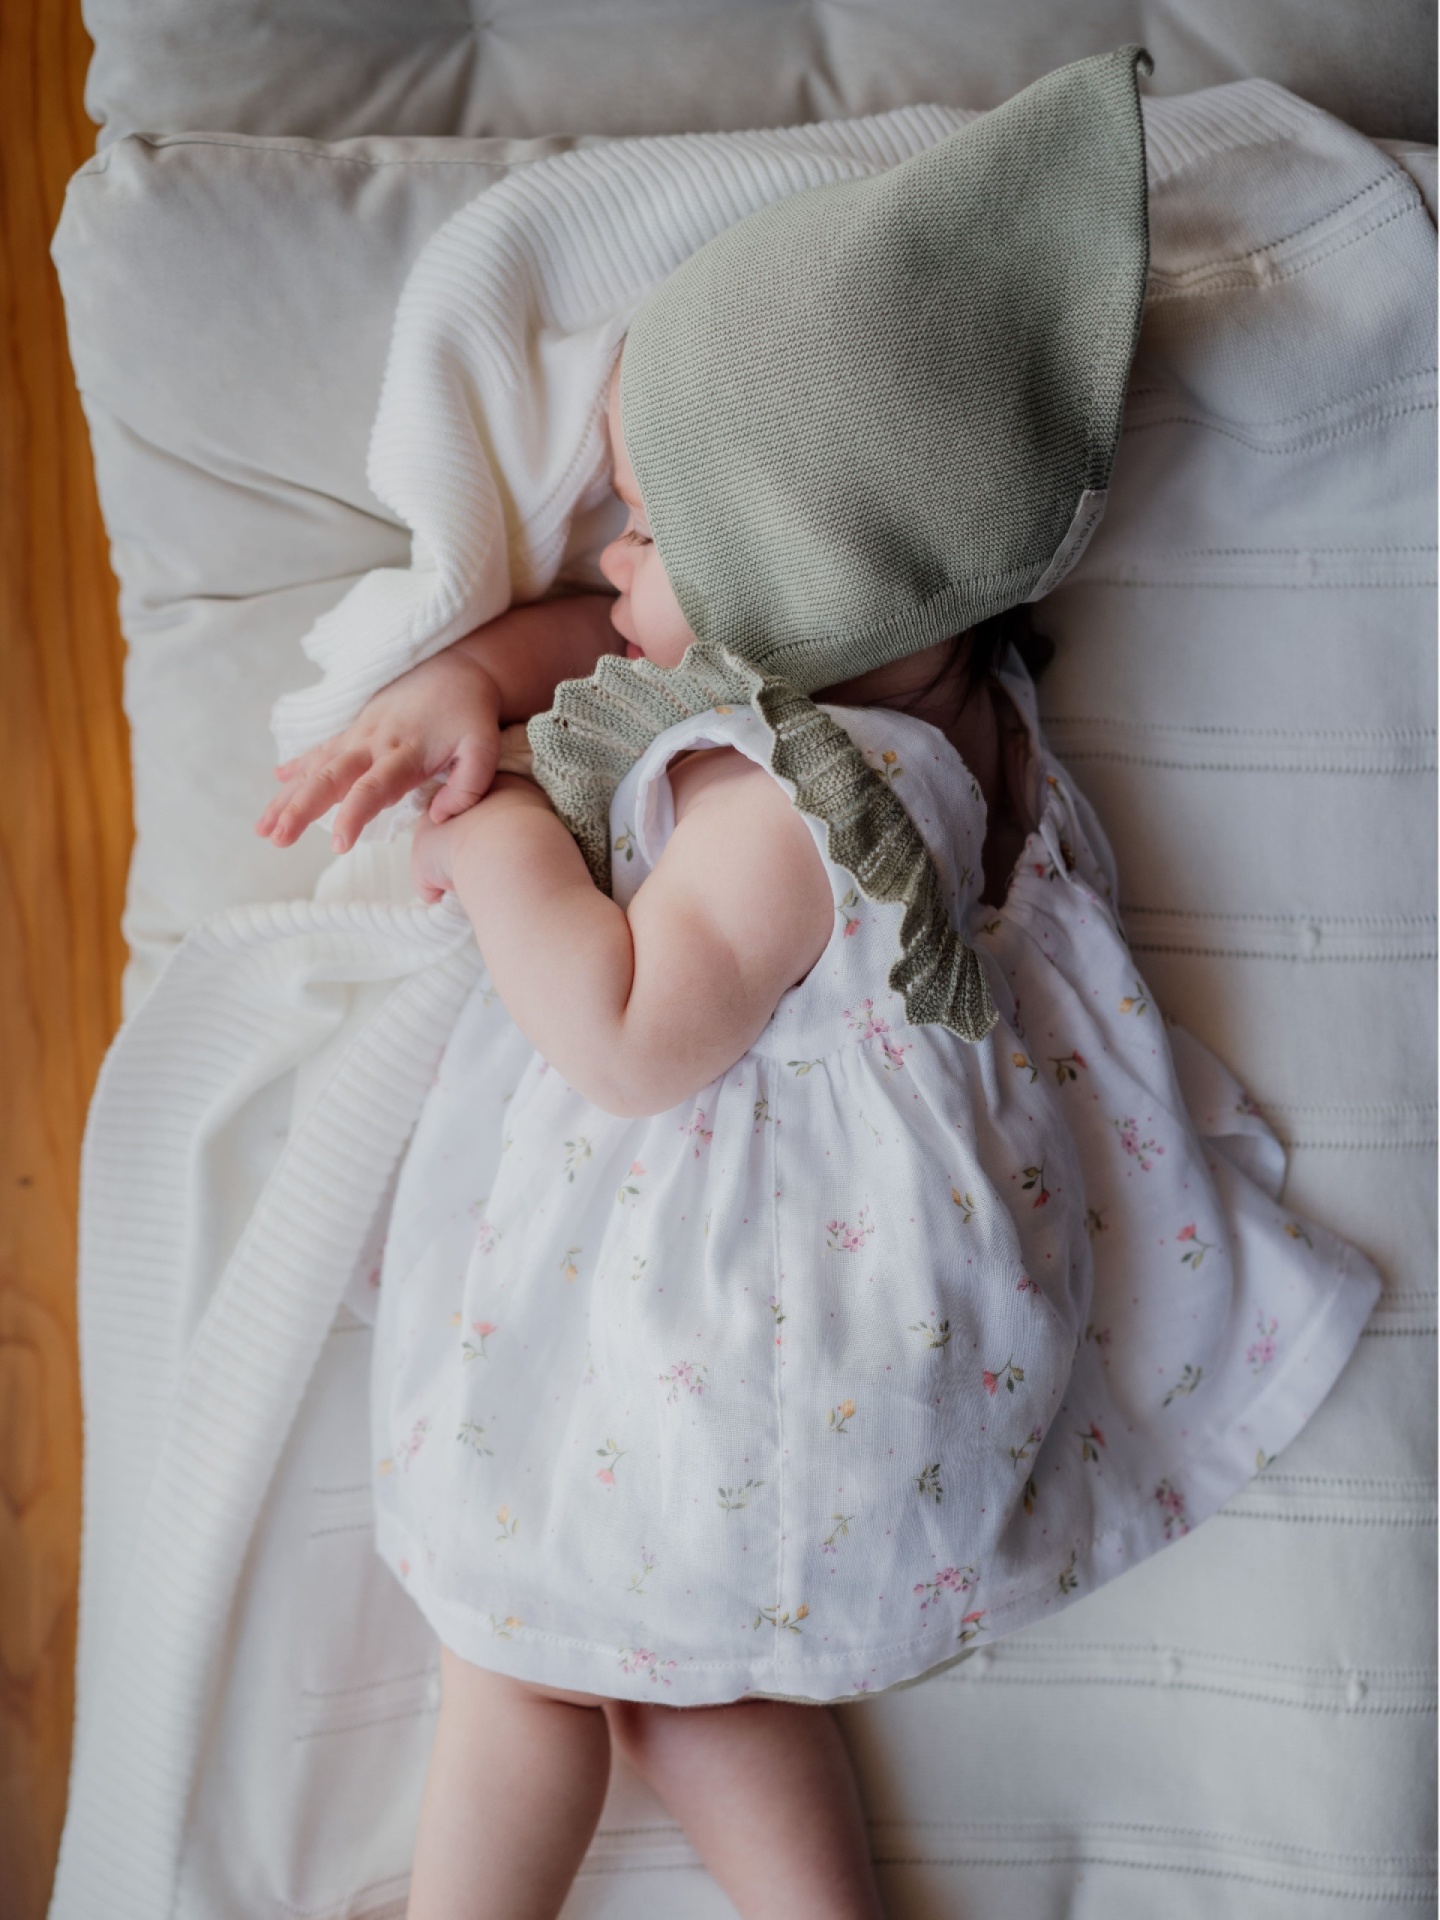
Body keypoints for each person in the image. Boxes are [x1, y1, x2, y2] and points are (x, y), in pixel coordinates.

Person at [258, 48, 1378, 1920]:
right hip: (894, 1394)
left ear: (806, 588)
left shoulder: (788, 813)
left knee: (516, 1645)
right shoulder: (953, 709)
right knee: (694, 1687)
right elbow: (640, 646)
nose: (606, 552)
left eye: (644, 523)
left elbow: (626, 1037)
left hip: (768, 1364)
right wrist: (474, 681)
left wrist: (505, 826)